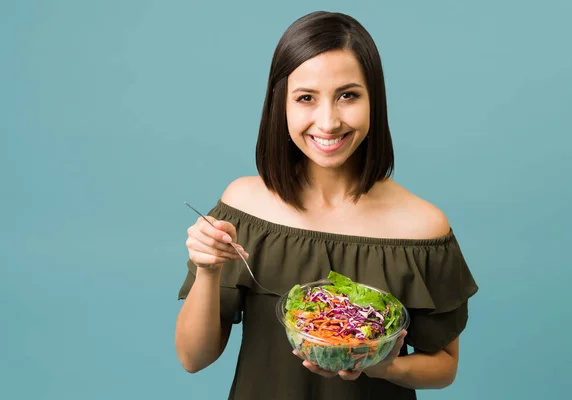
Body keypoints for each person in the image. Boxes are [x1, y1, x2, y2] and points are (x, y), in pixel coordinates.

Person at [175, 11, 478, 400]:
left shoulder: (422, 226)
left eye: (348, 95)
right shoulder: (243, 205)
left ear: (375, 101)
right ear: (280, 104)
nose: (329, 121)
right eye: (305, 98)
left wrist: (382, 364)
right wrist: (208, 270)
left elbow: (444, 367)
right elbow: (192, 357)